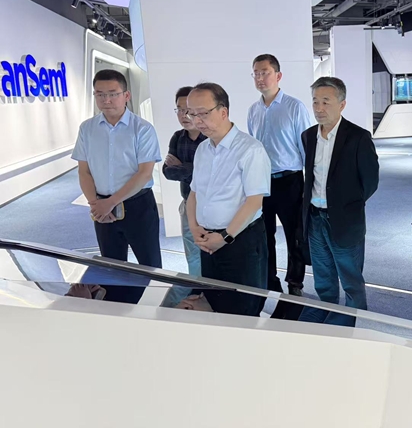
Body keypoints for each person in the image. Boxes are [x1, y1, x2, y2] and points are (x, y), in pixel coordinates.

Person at [72, 69, 162, 304]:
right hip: (100, 204)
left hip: (137, 204)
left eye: (113, 94)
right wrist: (95, 204)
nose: (107, 100)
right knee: (111, 265)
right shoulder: (87, 128)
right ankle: (117, 311)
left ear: (126, 95)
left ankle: (157, 312)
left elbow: (144, 173)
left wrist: (110, 203)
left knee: (150, 265)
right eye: (100, 94)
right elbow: (84, 171)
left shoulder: (142, 129)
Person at [184, 82, 271, 316]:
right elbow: (194, 193)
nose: (197, 120)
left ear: (223, 112)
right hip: (207, 240)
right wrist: (194, 227)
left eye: (203, 113)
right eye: (192, 114)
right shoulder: (203, 149)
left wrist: (224, 237)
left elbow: (254, 202)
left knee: (243, 308)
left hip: (239, 240)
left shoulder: (250, 150)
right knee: (214, 303)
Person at [298, 77, 379, 327]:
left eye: (326, 102)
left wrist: (346, 206)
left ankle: (352, 321)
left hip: (344, 219)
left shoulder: (358, 137)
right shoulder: (308, 136)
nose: (319, 108)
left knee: (350, 276)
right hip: (314, 217)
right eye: (315, 102)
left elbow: (370, 182)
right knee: (322, 274)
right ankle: (326, 309)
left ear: (342, 104)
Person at [248, 54, 311, 303]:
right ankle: (270, 280)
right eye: (256, 73)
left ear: (278, 75)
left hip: (290, 181)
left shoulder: (294, 107)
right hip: (262, 182)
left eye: (265, 72)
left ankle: (295, 282)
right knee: (264, 235)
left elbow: (306, 148)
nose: (260, 78)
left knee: (294, 235)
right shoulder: (253, 110)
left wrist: (308, 185)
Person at [161, 86, 207, 307]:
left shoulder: (209, 137)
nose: (184, 115)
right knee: (192, 251)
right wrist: (192, 168)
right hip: (188, 202)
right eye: (179, 109)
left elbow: (210, 173)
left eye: (188, 109)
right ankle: (197, 288)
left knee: (212, 248)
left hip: (211, 205)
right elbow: (167, 172)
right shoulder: (177, 138)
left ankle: (212, 290)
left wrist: (182, 167)